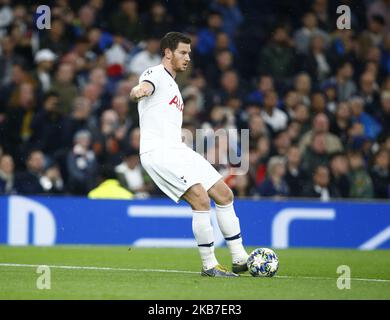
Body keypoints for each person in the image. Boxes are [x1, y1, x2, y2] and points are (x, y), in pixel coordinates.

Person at [129, 32, 248, 277]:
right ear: (167, 53)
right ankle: (210, 265)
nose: (187, 58)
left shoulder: (174, 84)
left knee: (224, 194)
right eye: (183, 53)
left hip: (178, 150)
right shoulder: (154, 74)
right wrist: (138, 91)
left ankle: (240, 258)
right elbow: (144, 86)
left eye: (189, 54)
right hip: (159, 152)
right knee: (200, 199)